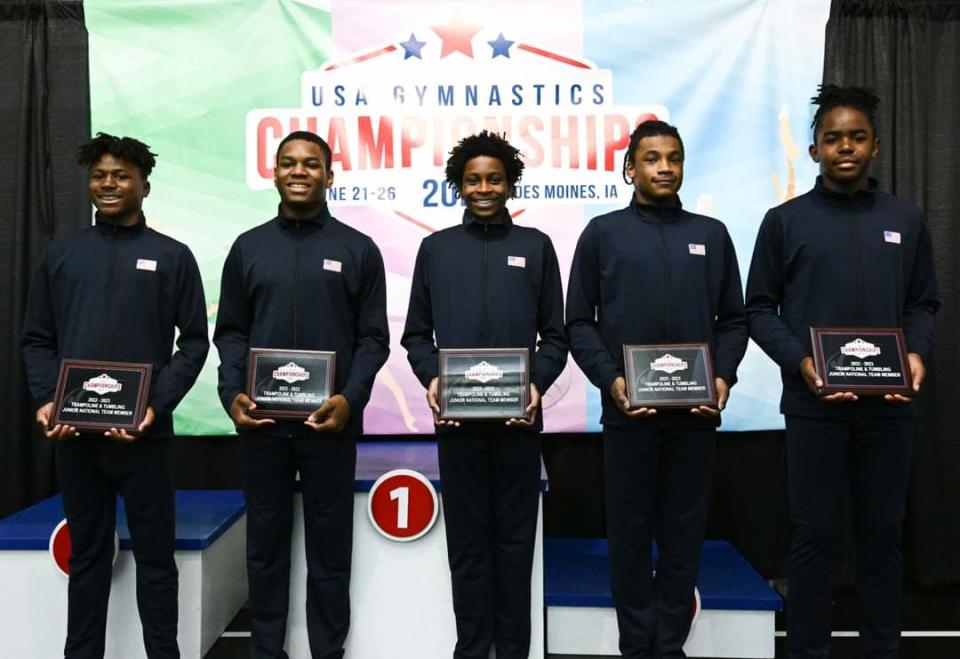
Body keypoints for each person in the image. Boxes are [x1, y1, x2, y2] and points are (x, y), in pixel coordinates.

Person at [745, 85, 939, 659]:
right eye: (833, 139)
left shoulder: (905, 218)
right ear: (814, 151)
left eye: (856, 137)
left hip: (889, 409)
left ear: (875, 146)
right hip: (814, 408)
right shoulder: (785, 222)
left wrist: (917, 352)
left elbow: (923, 302)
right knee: (815, 535)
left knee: (883, 534)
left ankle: (883, 649)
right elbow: (759, 308)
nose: (845, 148)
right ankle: (807, 650)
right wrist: (800, 362)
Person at [21, 132, 209, 659]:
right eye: (100, 175)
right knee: (86, 558)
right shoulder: (62, 254)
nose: (108, 184)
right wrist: (44, 397)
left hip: (145, 438)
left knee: (155, 559)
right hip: (76, 436)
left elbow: (194, 342)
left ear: (144, 186)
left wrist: (157, 403)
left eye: (121, 176)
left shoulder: (172, 256)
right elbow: (37, 338)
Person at [566, 120, 748, 658]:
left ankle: (670, 646)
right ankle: (635, 647)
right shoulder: (602, 233)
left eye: (673, 157)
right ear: (631, 168)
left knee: (683, 534)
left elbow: (734, 320)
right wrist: (611, 379)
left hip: (695, 416)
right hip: (628, 413)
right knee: (627, 535)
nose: (664, 167)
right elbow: (579, 322)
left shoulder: (711, 234)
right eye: (651, 158)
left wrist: (722, 375)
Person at [214, 130, 389, 659]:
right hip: (262, 427)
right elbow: (231, 333)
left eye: (310, 164)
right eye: (288, 163)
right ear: (274, 173)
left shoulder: (357, 249)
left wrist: (350, 399)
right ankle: (266, 651)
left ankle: (327, 652)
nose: (298, 171)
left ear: (329, 176)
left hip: (329, 426)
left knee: (329, 550)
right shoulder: (248, 247)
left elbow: (373, 338)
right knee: (264, 550)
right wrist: (232, 394)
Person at [401, 130, 567, 659]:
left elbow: (556, 335)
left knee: (516, 545)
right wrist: (432, 377)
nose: (484, 188)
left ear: (510, 182)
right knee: (468, 546)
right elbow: (415, 335)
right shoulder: (436, 249)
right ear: (458, 185)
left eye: (494, 178)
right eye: (473, 180)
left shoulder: (536, 247)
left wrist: (535, 383)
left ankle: (515, 650)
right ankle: (471, 649)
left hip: (520, 424)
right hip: (458, 426)